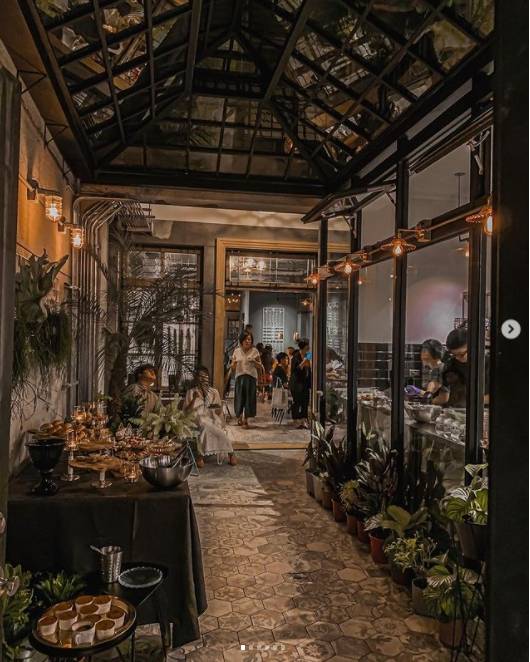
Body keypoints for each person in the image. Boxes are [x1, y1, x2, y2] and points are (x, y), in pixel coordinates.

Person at [184, 366, 236, 468]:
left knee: (210, 426)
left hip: (211, 418)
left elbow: (219, 411)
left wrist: (216, 408)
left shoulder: (214, 392)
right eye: (200, 376)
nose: (202, 378)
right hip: (196, 419)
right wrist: (194, 399)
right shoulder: (191, 392)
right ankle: (231, 452)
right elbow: (185, 412)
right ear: (196, 378)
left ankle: (200, 456)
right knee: (204, 425)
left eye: (205, 376)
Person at [434, 326, 489, 408]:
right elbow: (445, 395)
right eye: (454, 354)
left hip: (481, 411)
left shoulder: (488, 363)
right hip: (454, 411)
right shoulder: (450, 364)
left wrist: (469, 401)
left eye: (461, 354)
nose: (457, 358)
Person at [231, 331, 262, 428]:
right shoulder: (236, 351)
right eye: (246, 339)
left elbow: (260, 366)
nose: (248, 341)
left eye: (249, 339)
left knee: (249, 399)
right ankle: (239, 417)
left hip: (251, 377)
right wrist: (234, 364)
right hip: (239, 377)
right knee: (239, 398)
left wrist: (254, 362)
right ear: (241, 340)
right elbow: (232, 367)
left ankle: (246, 419)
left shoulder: (255, 351)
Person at [289, 338, 312, 429]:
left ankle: (304, 420)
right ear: (303, 347)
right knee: (297, 402)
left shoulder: (308, 355)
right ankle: (296, 420)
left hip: (305, 382)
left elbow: (310, 368)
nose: (308, 348)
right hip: (296, 383)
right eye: (307, 346)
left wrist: (309, 362)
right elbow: (295, 371)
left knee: (305, 402)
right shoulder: (295, 357)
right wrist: (303, 362)